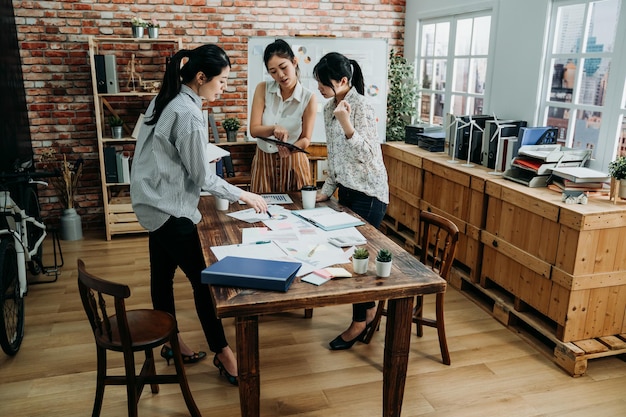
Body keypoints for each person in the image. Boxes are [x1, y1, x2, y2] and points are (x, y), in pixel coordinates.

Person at [130, 44, 268, 385]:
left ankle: (171, 342)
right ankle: (224, 354)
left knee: (161, 275)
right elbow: (201, 177)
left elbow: (147, 144)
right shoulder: (189, 113)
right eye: (221, 81)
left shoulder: (167, 98)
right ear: (201, 77)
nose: (223, 88)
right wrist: (243, 194)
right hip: (169, 208)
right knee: (206, 282)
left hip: (151, 202)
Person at [312, 52, 389, 350]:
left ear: (343, 81)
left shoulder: (361, 108)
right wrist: (327, 190)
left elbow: (369, 156)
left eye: (323, 81)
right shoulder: (329, 107)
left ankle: (361, 320)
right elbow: (335, 156)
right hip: (347, 191)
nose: (318, 86)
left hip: (369, 195)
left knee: (355, 259)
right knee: (350, 256)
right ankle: (368, 310)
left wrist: (347, 124)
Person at [249, 39, 317, 193]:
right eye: (273, 71)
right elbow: (254, 130)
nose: (280, 75)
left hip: (293, 162)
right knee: (261, 212)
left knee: (298, 210)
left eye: (283, 67)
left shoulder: (308, 97)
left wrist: (291, 149)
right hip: (263, 162)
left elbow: (306, 138)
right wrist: (273, 128)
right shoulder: (263, 89)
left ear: (294, 62)